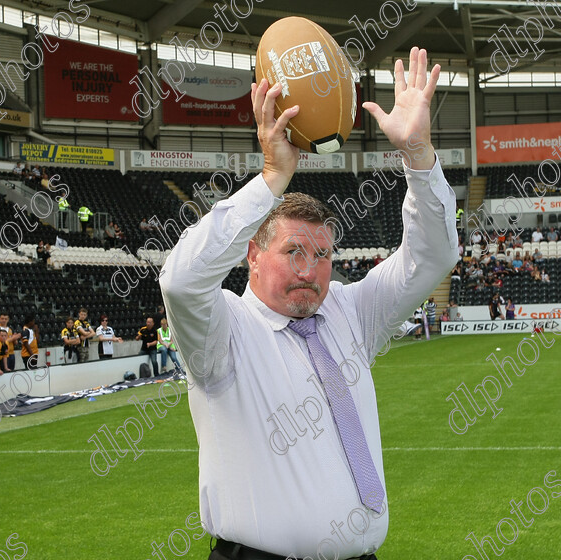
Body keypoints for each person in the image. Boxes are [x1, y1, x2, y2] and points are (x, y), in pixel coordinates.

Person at [159, 49, 455, 560]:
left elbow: (433, 256)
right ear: (253, 254)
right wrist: (274, 174)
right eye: (292, 251)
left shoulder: (348, 311)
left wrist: (419, 157)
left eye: (322, 254)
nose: (309, 269)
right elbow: (182, 282)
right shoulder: (224, 329)